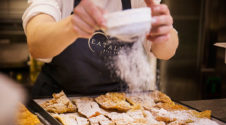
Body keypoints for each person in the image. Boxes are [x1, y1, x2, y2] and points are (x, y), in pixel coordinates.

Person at [22, 0, 179, 97]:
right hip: (57, 99)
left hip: (119, 105)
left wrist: (162, 33)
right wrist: (72, 25)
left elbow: (166, 51)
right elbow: (37, 44)